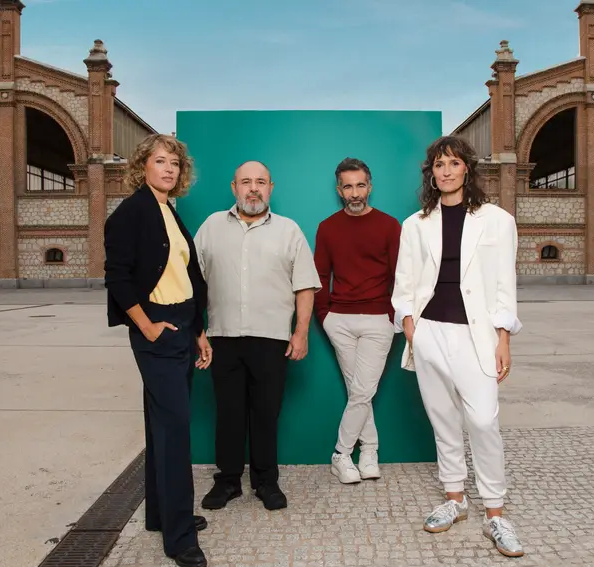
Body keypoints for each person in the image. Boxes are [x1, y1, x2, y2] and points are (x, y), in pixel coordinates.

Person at [390, 136, 524, 558]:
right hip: (430, 332)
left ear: (467, 168)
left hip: (477, 335)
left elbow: (505, 285)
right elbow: (405, 283)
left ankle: (496, 514)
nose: (445, 171)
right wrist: (412, 328)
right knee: (443, 420)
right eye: (438, 165)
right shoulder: (415, 224)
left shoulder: (497, 220)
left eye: (452, 163)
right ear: (431, 173)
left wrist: (503, 337)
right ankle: (455, 500)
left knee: (483, 421)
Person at [103, 134, 213, 567]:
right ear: (143, 166)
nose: (169, 169)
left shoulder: (168, 209)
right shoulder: (131, 213)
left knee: (160, 423)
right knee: (175, 429)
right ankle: (180, 537)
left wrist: (198, 331)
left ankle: (160, 515)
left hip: (183, 326)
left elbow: (187, 278)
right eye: (160, 161)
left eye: (174, 164)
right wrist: (146, 327)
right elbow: (118, 276)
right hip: (159, 331)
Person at [194, 160, 321, 511]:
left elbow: (305, 286)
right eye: (246, 182)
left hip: (271, 340)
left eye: (260, 182)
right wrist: (197, 330)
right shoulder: (210, 228)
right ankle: (229, 481)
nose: (253, 188)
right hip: (223, 337)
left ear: (271, 188)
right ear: (233, 187)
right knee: (228, 412)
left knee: (266, 413)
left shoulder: (289, 231)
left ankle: (267, 482)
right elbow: (191, 282)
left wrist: (301, 333)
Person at [313, 157, 401, 484]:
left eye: (360, 185)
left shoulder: (390, 226)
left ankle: (341, 453)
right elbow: (320, 275)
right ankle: (369, 453)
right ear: (339, 190)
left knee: (362, 391)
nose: (354, 193)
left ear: (370, 186)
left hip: (379, 319)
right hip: (340, 321)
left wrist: (392, 318)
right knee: (358, 390)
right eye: (347, 186)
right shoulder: (328, 227)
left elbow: (400, 277)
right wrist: (325, 318)